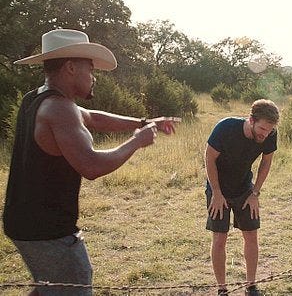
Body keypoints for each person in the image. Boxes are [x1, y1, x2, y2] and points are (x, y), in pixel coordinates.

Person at [3, 29, 180, 295]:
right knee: (74, 285)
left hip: (23, 222)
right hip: (48, 231)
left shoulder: (38, 97)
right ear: (71, 67)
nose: (94, 76)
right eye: (90, 68)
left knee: (49, 287)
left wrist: (145, 122)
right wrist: (136, 141)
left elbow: (93, 118)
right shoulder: (59, 108)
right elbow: (92, 166)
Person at [204, 99, 279, 296]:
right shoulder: (226, 127)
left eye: (269, 130)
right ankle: (222, 289)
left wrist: (255, 193)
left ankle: (251, 286)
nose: (265, 133)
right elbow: (209, 158)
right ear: (251, 120)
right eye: (262, 128)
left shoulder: (270, 134)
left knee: (251, 235)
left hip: (245, 187)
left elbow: (266, 162)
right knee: (220, 238)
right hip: (218, 185)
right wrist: (217, 194)